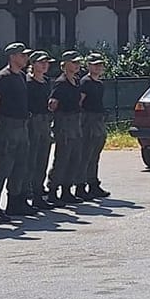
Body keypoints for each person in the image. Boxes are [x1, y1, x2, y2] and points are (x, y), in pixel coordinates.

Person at [0, 43, 33, 219]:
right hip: (8, 125)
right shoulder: (3, 77)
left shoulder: (21, 76)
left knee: (20, 165)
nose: (25, 58)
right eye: (22, 55)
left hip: (22, 125)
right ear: (12, 57)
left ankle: (15, 201)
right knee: (4, 166)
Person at [49, 53, 89, 204]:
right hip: (64, 122)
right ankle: (53, 190)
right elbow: (53, 103)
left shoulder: (76, 81)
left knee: (74, 157)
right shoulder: (61, 82)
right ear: (65, 64)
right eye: (73, 62)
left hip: (75, 121)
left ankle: (67, 190)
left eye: (78, 62)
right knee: (62, 158)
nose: (77, 65)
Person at [25, 52, 56, 211]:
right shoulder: (28, 82)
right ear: (33, 64)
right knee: (32, 158)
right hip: (33, 121)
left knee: (43, 158)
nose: (44, 65)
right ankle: (28, 191)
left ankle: (38, 192)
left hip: (45, 120)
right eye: (41, 62)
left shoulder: (46, 81)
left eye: (46, 62)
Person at [81, 55, 111, 199]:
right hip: (88, 121)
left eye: (100, 65)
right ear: (88, 66)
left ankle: (93, 183)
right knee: (86, 154)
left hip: (98, 120)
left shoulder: (99, 83)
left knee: (95, 155)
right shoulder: (85, 82)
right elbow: (80, 102)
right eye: (94, 65)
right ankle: (82, 185)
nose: (98, 68)